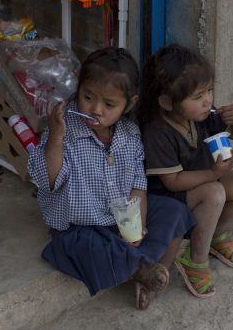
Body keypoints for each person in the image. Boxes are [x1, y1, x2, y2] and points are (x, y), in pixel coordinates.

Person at [27, 47, 195, 310]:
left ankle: (152, 271)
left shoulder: (129, 134)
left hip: (118, 219)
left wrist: (135, 226)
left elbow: (138, 186)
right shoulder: (64, 130)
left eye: (109, 104)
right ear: (77, 90)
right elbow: (46, 179)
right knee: (92, 248)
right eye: (88, 97)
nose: (95, 110)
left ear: (129, 104)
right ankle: (142, 269)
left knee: (175, 212)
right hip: (80, 228)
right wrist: (57, 137)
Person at [139, 44, 233, 298]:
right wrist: (214, 173)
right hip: (169, 200)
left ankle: (215, 234)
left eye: (209, 91)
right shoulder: (158, 132)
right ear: (167, 102)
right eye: (198, 96)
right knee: (214, 191)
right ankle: (196, 259)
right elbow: (172, 181)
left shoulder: (200, 117)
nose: (208, 100)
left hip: (199, 188)